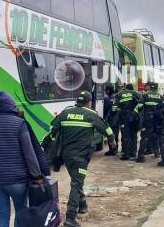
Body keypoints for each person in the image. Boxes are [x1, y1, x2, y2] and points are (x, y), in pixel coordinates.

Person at [0, 91, 49, 227]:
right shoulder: (20, 123)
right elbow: (29, 154)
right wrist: (37, 175)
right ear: (11, 105)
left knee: (2, 214)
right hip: (17, 181)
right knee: (20, 213)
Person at [50, 91, 116, 227]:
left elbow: (53, 128)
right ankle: (70, 217)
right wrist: (112, 141)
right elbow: (106, 128)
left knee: (76, 180)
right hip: (80, 156)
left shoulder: (66, 112)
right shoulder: (91, 114)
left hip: (66, 156)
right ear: (89, 102)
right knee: (76, 184)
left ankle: (83, 205)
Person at [133, 82, 163, 162]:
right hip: (157, 120)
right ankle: (157, 153)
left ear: (150, 88)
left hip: (147, 119)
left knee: (144, 137)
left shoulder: (145, 95)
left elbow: (139, 106)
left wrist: (139, 114)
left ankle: (141, 156)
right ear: (157, 88)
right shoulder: (160, 96)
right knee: (155, 136)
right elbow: (163, 108)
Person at [113, 83, 140, 160]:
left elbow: (114, 107)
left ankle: (126, 154)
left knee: (125, 136)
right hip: (134, 118)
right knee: (134, 135)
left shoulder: (119, 94)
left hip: (124, 118)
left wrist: (116, 114)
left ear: (125, 88)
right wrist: (135, 114)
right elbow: (140, 105)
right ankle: (133, 154)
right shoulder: (136, 94)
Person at [104, 85, 120, 156]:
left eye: (106, 90)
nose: (105, 91)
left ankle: (112, 150)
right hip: (116, 118)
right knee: (115, 134)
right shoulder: (116, 96)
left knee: (110, 134)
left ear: (108, 90)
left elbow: (107, 108)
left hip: (112, 118)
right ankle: (115, 149)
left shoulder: (110, 98)